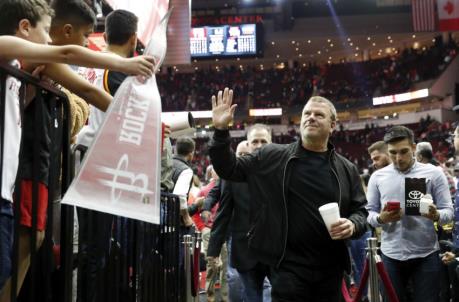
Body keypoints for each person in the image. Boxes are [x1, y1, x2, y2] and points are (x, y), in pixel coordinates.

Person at [0, 1, 153, 299]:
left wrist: (144, 122)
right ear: (24, 28)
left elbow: (88, 91)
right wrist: (121, 63)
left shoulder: (20, 69)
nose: (48, 38)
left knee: (16, 259)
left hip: (8, 188)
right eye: (45, 29)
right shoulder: (6, 48)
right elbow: (66, 54)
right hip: (15, 181)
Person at [209, 89, 368, 301]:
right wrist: (220, 132)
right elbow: (228, 168)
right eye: (307, 113)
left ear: (332, 125)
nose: (311, 117)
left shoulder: (346, 168)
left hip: (331, 269)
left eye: (319, 115)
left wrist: (353, 224)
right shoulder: (272, 155)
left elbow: (360, 212)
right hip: (287, 268)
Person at [366, 125, 454, 302]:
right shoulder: (377, 177)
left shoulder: (434, 173)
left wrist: (436, 215)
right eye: (393, 153)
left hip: (426, 254)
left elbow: (449, 212)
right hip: (391, 254)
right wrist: (380, 218)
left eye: (404, 151)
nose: (398, 158)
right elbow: (369, 214)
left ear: (414, 148)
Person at [207, 127, 273, 302]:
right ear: (248, 145)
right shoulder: (233, 175)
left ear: (271, 143)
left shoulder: (283, 170)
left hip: (277, 251)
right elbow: (224, 213)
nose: (259, 145)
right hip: (245, 251)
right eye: (255, 142)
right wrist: (213, 250)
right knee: (252, 297)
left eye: (263, 141)